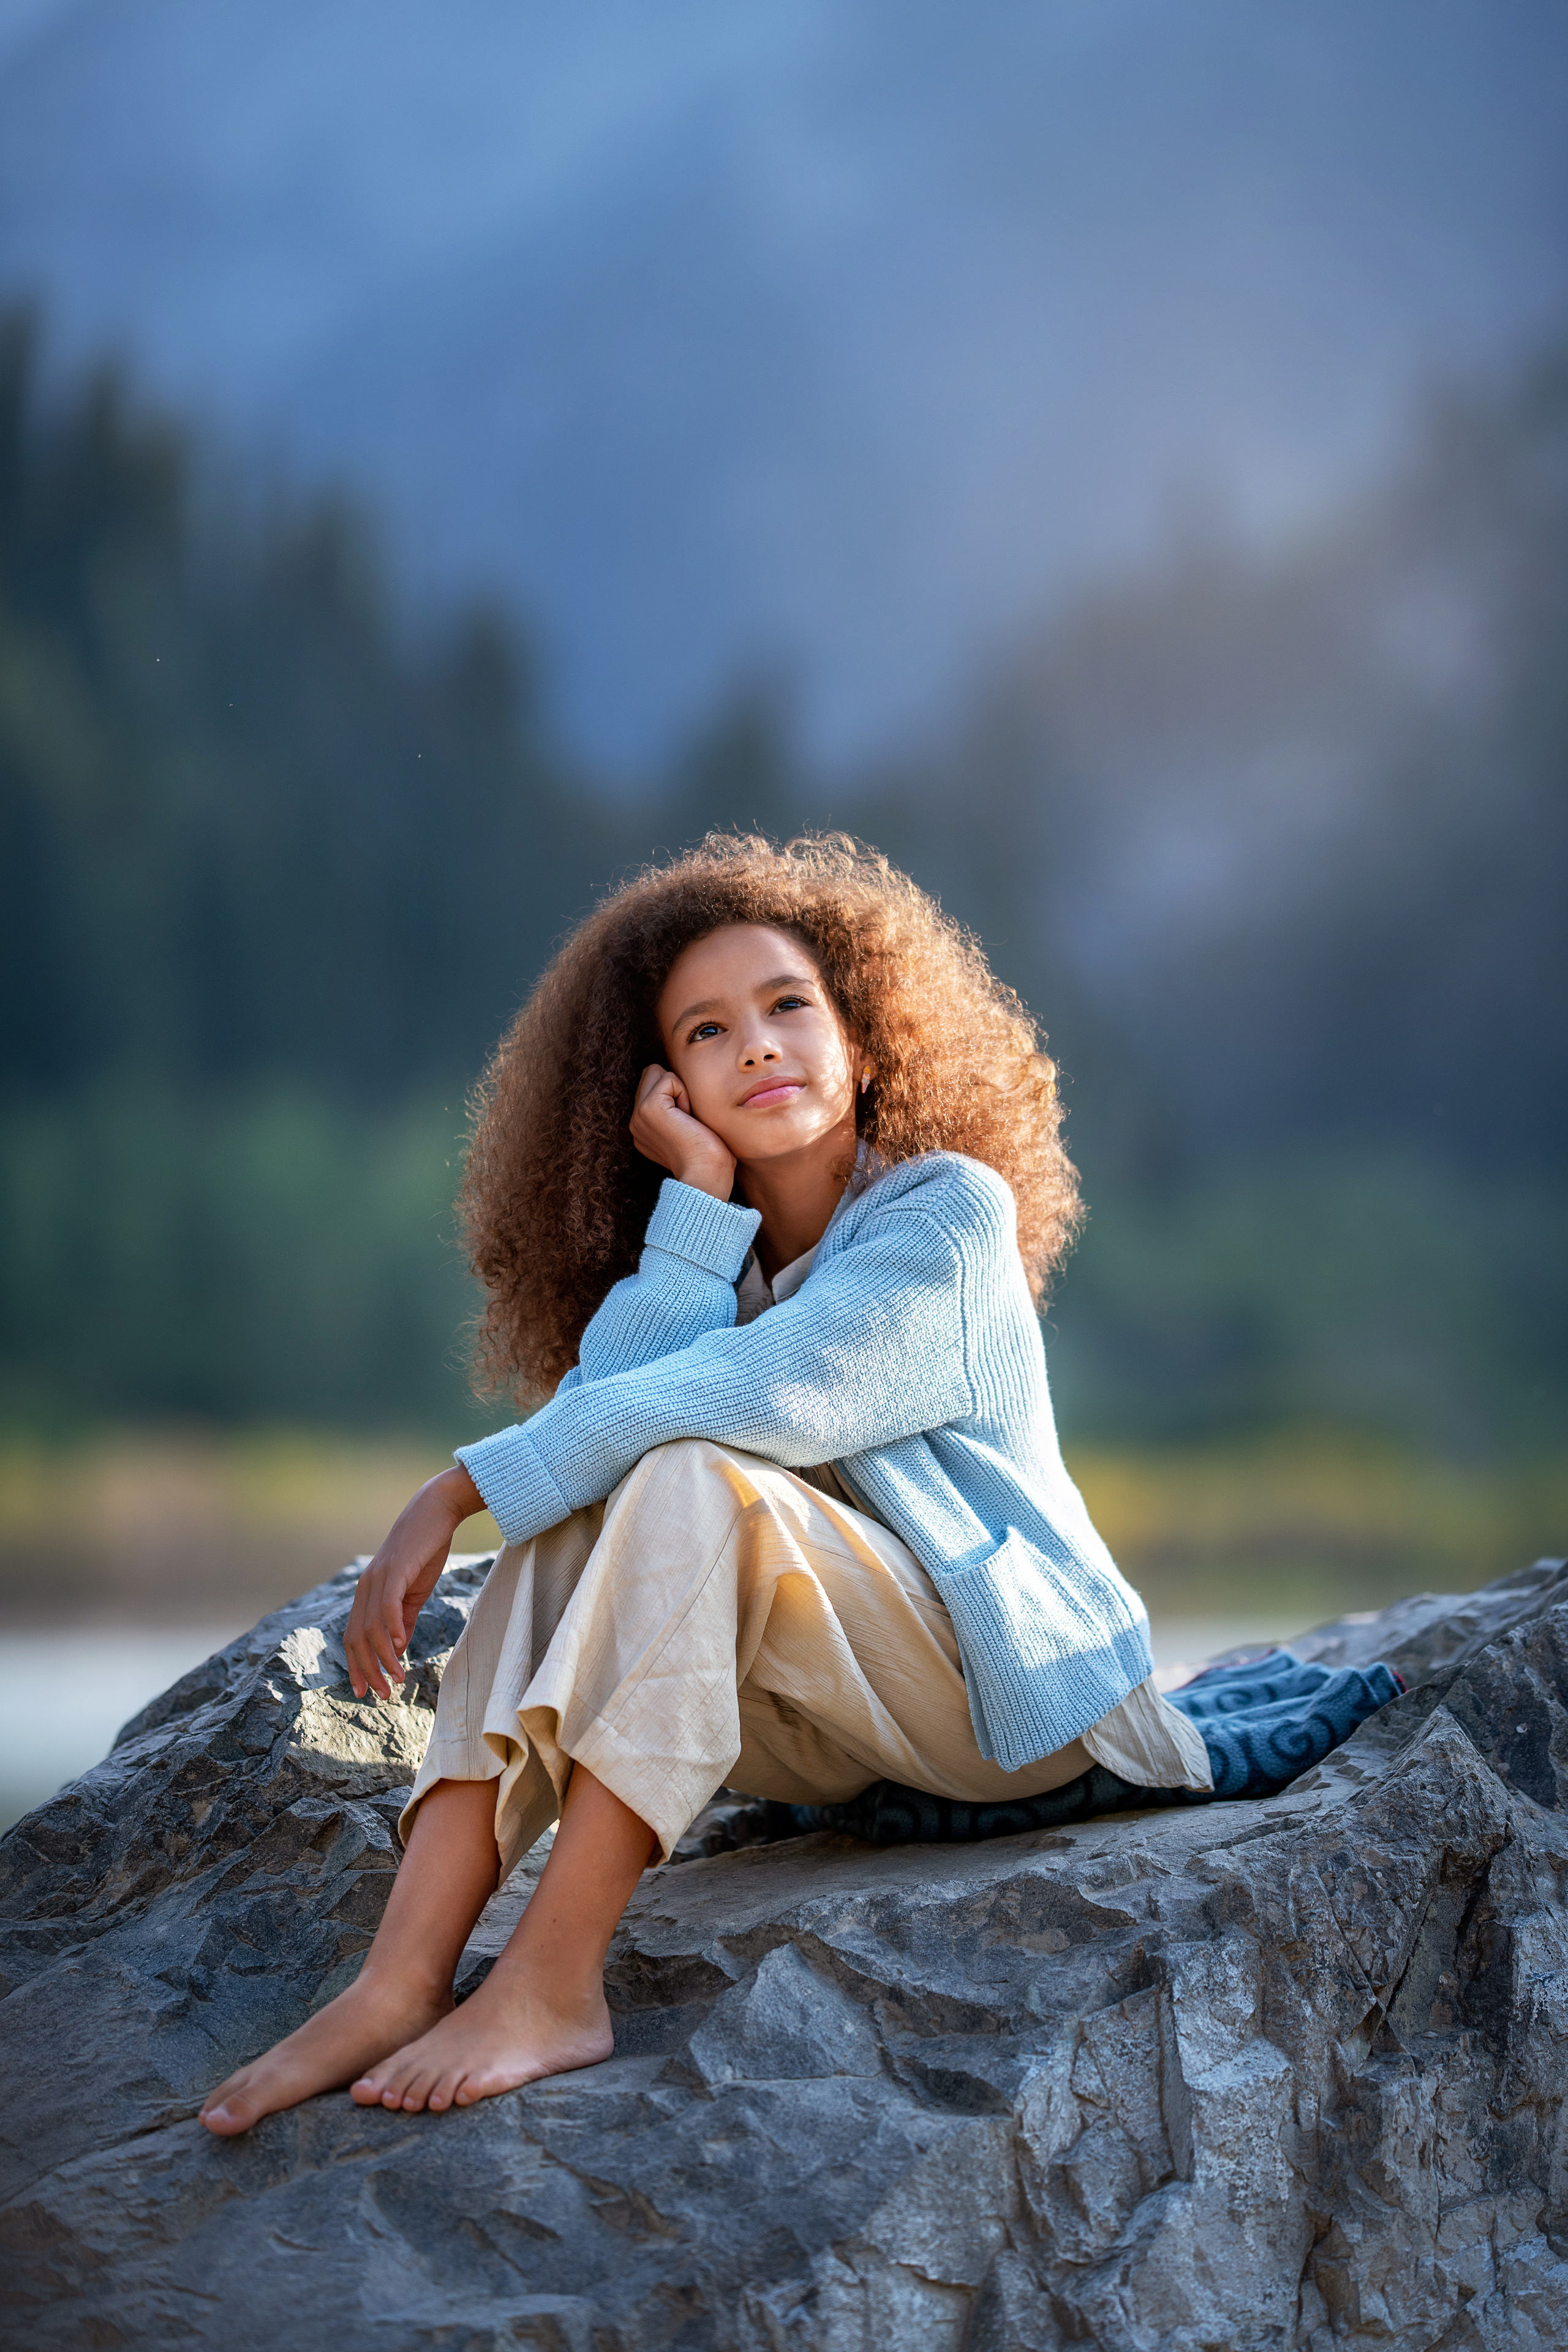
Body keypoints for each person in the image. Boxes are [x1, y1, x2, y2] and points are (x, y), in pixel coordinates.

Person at [199, 833, 1212, 2136]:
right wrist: (697, 1203)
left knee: (680, 1469)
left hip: (1020, 1703)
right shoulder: (716, 1262)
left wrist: (454, 1491)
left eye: (789, 1004)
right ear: (660, 1083)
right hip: (850, 1737)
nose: (758, 1046)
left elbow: (771, 1394)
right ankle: (399, 1975)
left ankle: (551, 1984)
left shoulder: (943, 1216)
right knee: (583, 1495)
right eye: (706, 1031)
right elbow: (593, 1414)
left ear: (863, 1035)